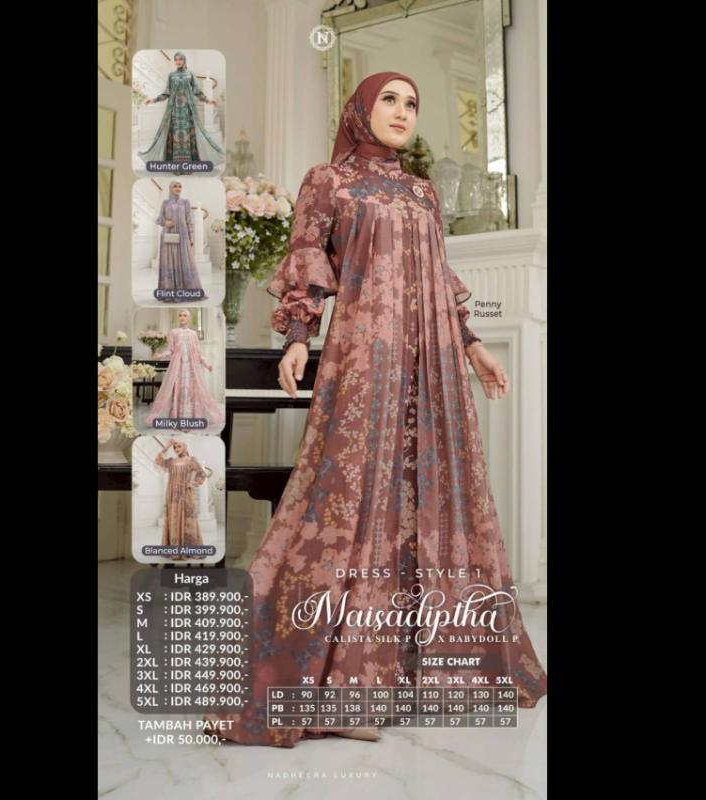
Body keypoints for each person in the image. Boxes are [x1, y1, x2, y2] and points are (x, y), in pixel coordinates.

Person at [208, 72, 547, 748]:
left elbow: (440, 279)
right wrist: (297, 337)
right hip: (364, 355)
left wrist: (473, 347)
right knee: (346, 501)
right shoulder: (328, 182)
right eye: (388, 99)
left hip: (434, 363)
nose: (401, 111)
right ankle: (340, 684)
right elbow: (308, 262)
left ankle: (406, 676)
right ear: (360, 110)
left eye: (411, 103)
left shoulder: (422, 192)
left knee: (427, 499)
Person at [139, 51, 226, 167]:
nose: (178, 62)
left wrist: (208, 101)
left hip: (187, 111)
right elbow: (166, 93)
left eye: (180, 59)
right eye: (176, 59)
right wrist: (153, 100)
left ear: (184, 60)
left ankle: (188, 163)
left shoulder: (190, 74)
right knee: (175, 135)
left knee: (187, 135)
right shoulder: (171, 75)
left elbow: (197, 92)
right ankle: (176, 163)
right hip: (174, 111)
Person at [144, 309, 224, 427]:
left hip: (191, 367)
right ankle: (178, 417)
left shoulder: (193, 334)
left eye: (185, 315)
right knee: (178, 388)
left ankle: (190, 417)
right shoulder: (173, 332)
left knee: (191, 389)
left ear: (189, 318)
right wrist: (161, 355)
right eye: (180, 315)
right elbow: (170, 349)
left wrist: (207, 364)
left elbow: (198, 352)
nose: (182, 317)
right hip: (177, 366)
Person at [153, 182, 207, 299]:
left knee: (185, 260)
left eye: (180, 186)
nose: (178, 188)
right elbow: (159, 219)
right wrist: (165, 222)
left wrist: (191, 236)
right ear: (170, 188)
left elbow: (189, 220)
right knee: (169, 260)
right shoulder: (165, 203)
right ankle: (169, 291)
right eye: (175, 186)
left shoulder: (185, 202)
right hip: (168, 234)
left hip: (183, 235)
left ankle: (187, 290)